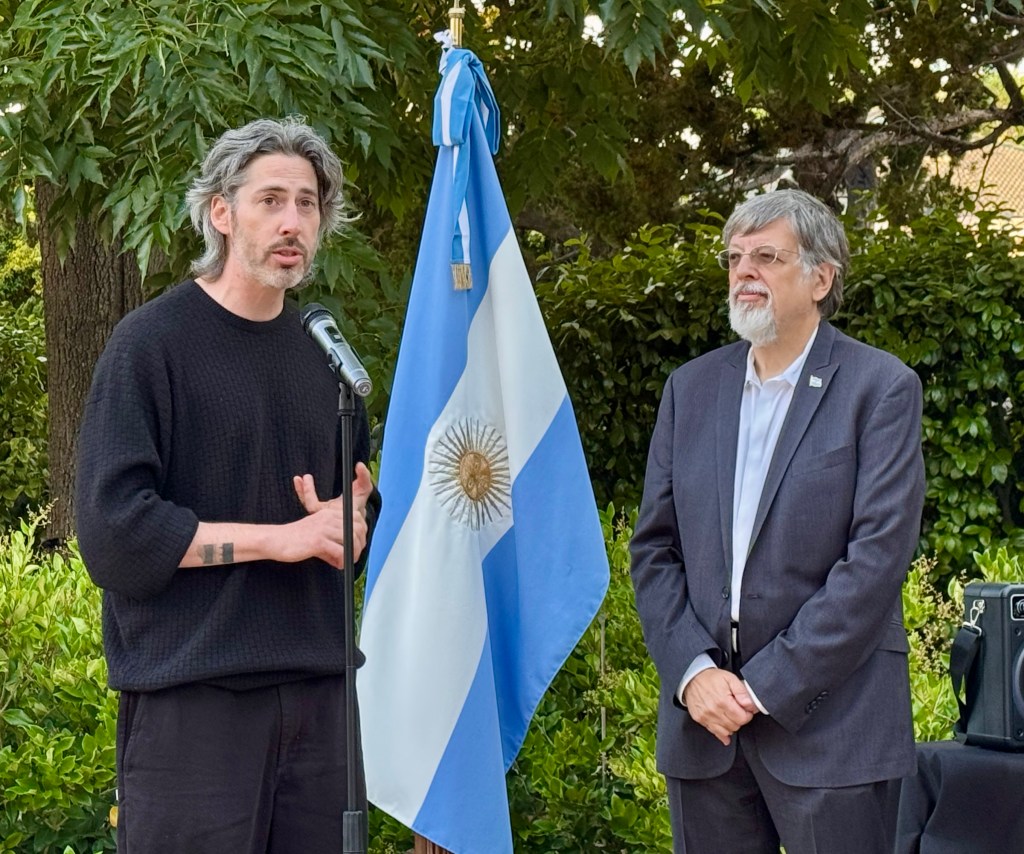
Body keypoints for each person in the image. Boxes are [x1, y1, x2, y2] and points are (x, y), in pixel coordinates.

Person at [75, 117, 381, 853]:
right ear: (220, 211)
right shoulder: (150, 347)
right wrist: (284, 540)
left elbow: (344, 534)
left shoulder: (328, 357)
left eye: (307, 204)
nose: (292, 222)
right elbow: (115, 535)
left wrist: (355, 524)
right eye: (270, 199)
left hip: (322, 702)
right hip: (194, 709)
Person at [630, 189, 925, 854]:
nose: (743, 272)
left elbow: (875, 560)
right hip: (706, 731)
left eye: (766, 256)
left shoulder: (880, 388)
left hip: (834, 731)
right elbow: (654, 549)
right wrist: (693, 674)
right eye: (734, 259)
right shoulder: (691, 389)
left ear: (821, 278)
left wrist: (766, 685)